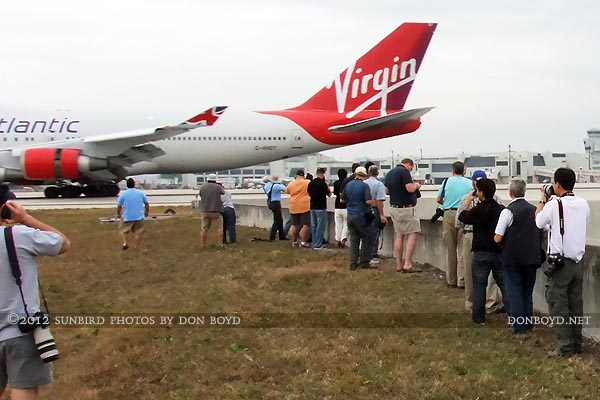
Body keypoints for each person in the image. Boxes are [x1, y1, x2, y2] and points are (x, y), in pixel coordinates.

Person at [0, 185, 70, 400]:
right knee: (24, 389)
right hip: (20, 330)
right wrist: (26, 218)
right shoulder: (18, 235)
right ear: (7, 208)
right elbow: (62, 243)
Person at [535, 168, 590, 357]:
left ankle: (564, 347)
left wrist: (543, 199)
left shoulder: (553, 205)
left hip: (560, 263)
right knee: (576, 304)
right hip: (578, 261)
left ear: (557, 184)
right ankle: (576, 342)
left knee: (558, 303)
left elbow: (538, 222)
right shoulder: (584, 204)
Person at [494, 178, 542, 334]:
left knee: (514, 291)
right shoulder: (534, 210)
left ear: (510, 192)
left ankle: (519, 326)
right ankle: (528, 323)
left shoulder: (507, 211)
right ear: (525, 191)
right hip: (532, 256)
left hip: (512, 257)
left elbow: (498, 237)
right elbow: (544, 231)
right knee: (527, 291)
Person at [458, 178, 507, 325]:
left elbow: (462, 217)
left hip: (481, 252)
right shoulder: (501, 209)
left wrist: (468, 201)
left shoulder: (478, 209)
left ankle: (479, 318)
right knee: (504, 285)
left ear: (481, 192)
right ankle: (514, 315)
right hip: (498, 252)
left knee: (479, 285)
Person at [437, 161, 473, 287]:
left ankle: (451, 279)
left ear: (452, 170)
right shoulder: (469, 183)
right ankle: (462, 280)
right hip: (464, 214)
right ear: (464, 170)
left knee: (450, 248)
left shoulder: (446, 181)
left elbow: (438, 199)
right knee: (463, 249)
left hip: (449, 213)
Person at [384, 158, 422, 273]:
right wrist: (416, 186)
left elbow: (386, 191)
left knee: (399, 235)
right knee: (413, 233)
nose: (411, 170)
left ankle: (399, 264)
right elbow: (410, 189)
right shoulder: (404, 172)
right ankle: (408, 263)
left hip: (394, 207)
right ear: (409, 165)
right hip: (406, 208)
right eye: (411, 168)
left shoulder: (390, 173)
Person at [341, 167, 376, 270]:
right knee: (367, 237)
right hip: (361, 215)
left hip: (350, 215)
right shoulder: (364, 186)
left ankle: (353, 263)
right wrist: (375, 202)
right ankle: (364, 262)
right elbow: (368, 201)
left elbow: (342, 200)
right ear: (365, 175)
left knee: (354, 239)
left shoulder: (348, 185)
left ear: (355, 174)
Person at [117, 178, 150, 250]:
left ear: (127, 185)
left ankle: (125, 243)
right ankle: (135, 247)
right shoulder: (140, 193)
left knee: (122, 231)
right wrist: (147, 211)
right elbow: (146, 203)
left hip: (127, 216)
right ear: (134, 184)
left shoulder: (123, 194)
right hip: (139, 216)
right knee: (137, 233)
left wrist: (119, 213)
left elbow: (119, 205)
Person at [364, 165, 387, 262]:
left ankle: (365, 253)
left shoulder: (364, 183)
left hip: (364, 210)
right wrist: (382, 215)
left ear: (368, 173)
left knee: (366, 232)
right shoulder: (379, 184)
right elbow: (379, 201)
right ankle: (373, 254)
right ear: (377, 173)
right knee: (374, 232)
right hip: (375, 210)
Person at [199, 173, 225, 249]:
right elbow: (223, 192)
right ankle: (220, 245)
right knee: (219, 229)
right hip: (216, 210)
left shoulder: (203, 187)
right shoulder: (217, 187)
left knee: (204, 229)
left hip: (205, 210)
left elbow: (200, 194)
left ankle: (202, 245)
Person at [307, 167, 331, 249]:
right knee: (320, 226)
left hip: (312, 206)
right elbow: (329, 193)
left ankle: (314, 243)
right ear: (322, 174)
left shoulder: (311, 183)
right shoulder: (323, 184)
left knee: (314, 226)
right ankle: (318, 244)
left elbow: (309, 193)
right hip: (321, 207)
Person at [286, 170, 311, 247]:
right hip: (304, 205)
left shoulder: (291, 184)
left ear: (296, 176)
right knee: (306, 224)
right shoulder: (307, 182)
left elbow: (287, 191)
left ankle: (295, 241)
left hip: (293, 206)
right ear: (303, 175)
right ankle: (303, 242)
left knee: (295, 225)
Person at [264, 176, 287, 241]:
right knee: (277, 220)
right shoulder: (276, 186)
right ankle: (272, 236)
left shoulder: (267, 186)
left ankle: (281, 236)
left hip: (270, 202)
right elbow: (285, 189)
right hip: (276, 202)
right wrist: (282, 183)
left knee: (278, 219)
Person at [333, 169, 349, 248]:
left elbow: (335, 193)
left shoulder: (336, 183)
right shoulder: (347, 183)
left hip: (337, 206)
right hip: (345, 206)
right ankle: (343, 237)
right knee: (346, 224)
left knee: (338, 224)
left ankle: (338, 239)